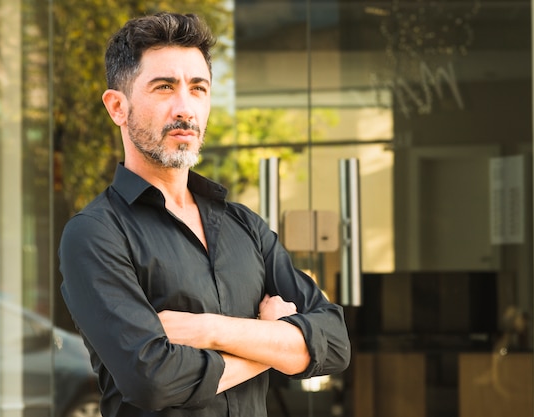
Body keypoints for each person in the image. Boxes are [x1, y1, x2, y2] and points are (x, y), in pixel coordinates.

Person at [58, 11, 351, 417]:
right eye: (164, 87)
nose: (185, 107)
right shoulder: (95, 234)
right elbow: (154, 380)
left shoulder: (244, 226)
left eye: (198, 88)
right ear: (117, 107)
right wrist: (275, 343)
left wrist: (208, 330)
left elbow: (334, 343)